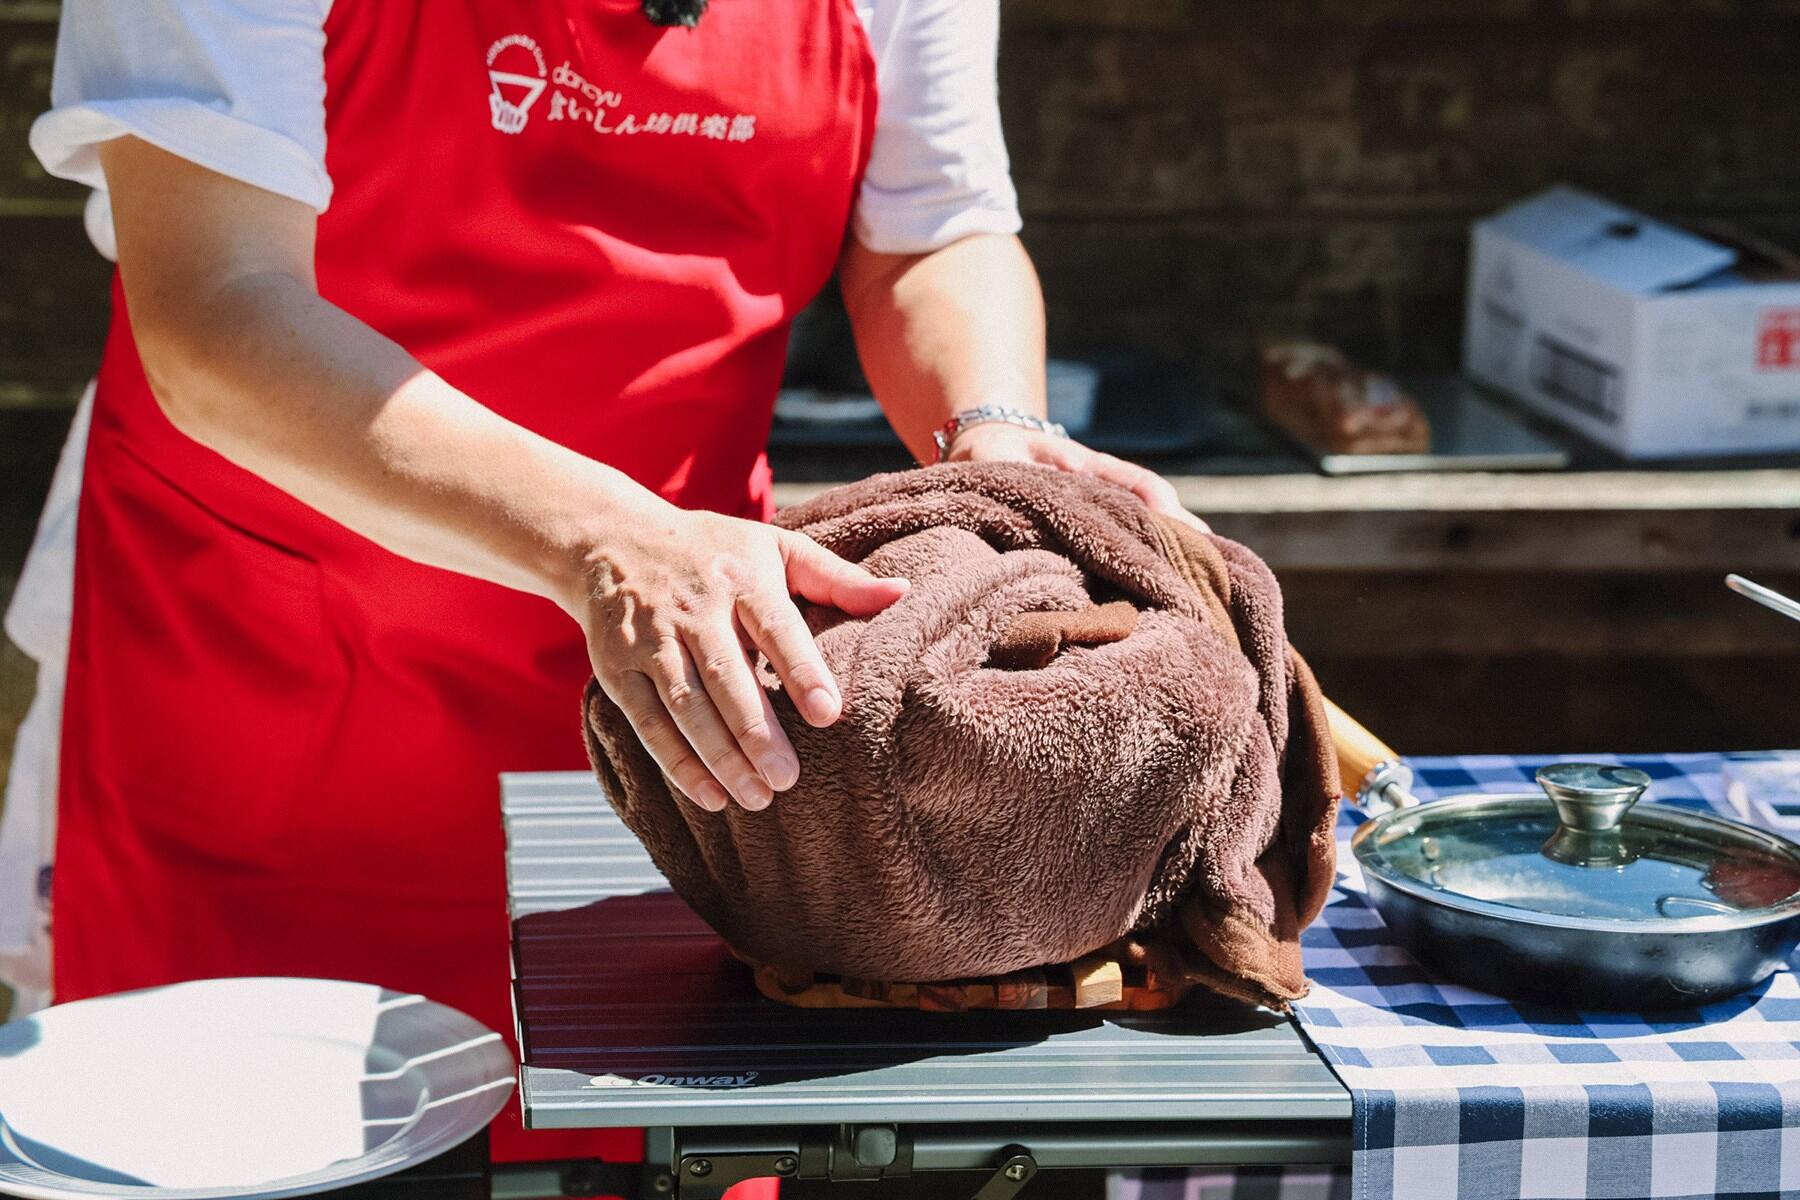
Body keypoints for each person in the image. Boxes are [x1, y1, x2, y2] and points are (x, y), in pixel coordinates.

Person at [0, 0, 1198, 1171]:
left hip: (686, 724)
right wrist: (609, 542)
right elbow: (213, 309)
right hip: (262, 708)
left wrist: (990, 426)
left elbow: (931, 232)